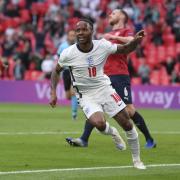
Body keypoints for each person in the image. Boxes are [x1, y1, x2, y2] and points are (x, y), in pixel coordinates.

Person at [50, 18, 146, 169]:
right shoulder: (68, 53)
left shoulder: (102, 45)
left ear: (91, 31)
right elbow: (56, 72)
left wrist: (136, 41)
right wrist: (53, 92)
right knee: (99, 123)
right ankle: (113, 132)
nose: (80, 33)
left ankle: (137, 160)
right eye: (78, 30)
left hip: (104, 89)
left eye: (84, 29)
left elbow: (125, 49)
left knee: (127, 123)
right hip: (86, 95)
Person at [66, 9, 156, 149]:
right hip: (102, 76)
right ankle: (84, 139)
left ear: (122, 16)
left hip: (119, 75)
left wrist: (113, 37)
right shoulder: (106, 35)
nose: (110, 15)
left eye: (114, 13)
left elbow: (132, 41)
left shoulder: (126, 31)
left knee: (129, 110)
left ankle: (150, 139)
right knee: (94, 106)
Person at [57, 29, 78, 120]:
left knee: (73, 93)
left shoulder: (78, 46)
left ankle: (74, 114)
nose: (72, 37)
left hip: (75, 71)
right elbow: (58, 57)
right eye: (70, 35)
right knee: (68, 96)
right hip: (65, 71)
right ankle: (79, 102)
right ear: (67, 36)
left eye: (74, 35)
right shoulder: (62, 46)